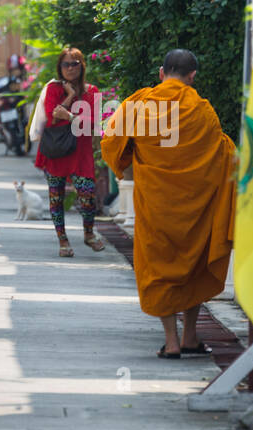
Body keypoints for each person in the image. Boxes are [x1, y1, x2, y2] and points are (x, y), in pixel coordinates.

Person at [101, 48, 236, 358]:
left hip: (155, 203)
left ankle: (173, 342)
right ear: (193, 77)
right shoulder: (202, 110)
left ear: (161, 73)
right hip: (196, 206)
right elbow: (223, 152)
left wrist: (127, 161)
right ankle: (191, 336)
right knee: (194, 267)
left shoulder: (140, 104)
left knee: (158, 268)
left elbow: (111, 141)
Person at [34, 46, 106, 258]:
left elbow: (95, 124)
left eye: (75, 64)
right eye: (66, 64)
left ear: (82, 66)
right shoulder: (53, 89)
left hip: (81, 151)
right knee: (56, 197)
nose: (70, 68)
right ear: (60, 67)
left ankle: (89, 233)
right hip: (56, 149)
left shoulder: (92, 91)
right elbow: (52, 117)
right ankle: (63, 240)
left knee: (88, 195)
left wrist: (70, 117)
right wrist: (70, 96)